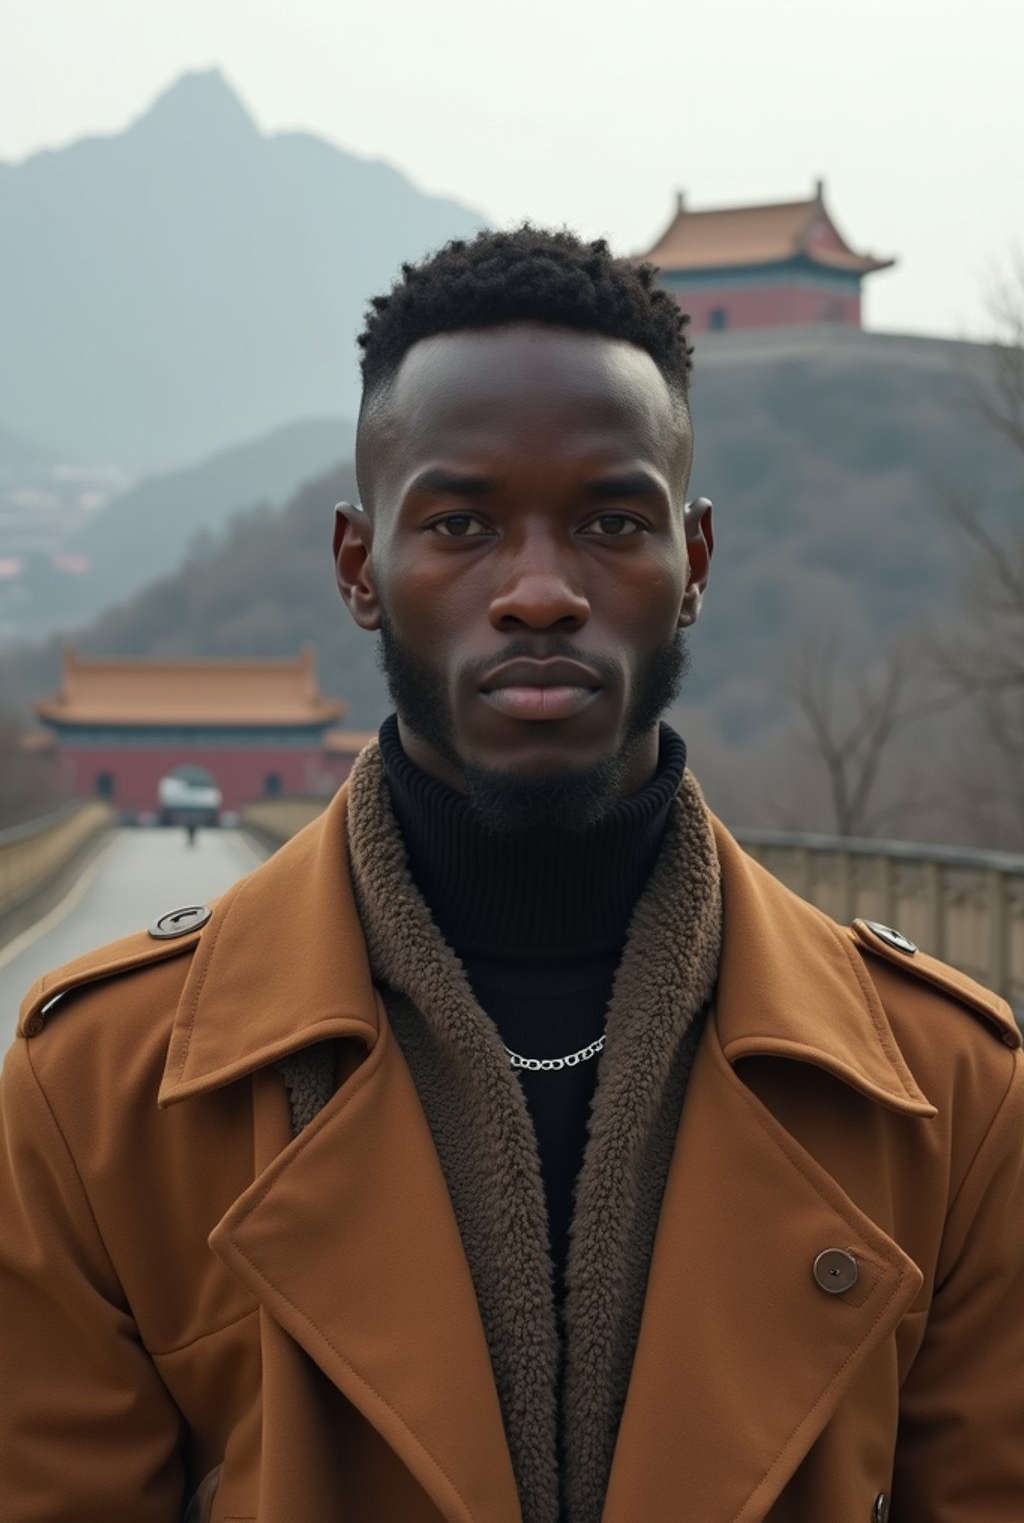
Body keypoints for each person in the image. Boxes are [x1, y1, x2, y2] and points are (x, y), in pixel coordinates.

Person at [1, 227, 1022, 1523]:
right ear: (359, 568)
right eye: (462, 523)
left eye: (610, 520)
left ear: (693, 563)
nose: (539, 591)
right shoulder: (103, 1103)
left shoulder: (947, 1103)